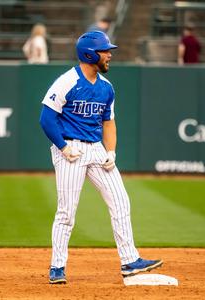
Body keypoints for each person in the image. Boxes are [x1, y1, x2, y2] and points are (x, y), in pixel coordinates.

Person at [39, 31, 163, 284]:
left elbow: (109, 122)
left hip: (96, 148)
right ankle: (57, 267)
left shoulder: (107, 88)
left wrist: (111, 151)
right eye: (105, 51)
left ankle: (130, 261)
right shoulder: (67, 81)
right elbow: (46, 119)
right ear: (89, 54)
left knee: (120, 201)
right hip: (70, 150)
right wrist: (62, 147)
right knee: (67, 212)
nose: (109, 55)